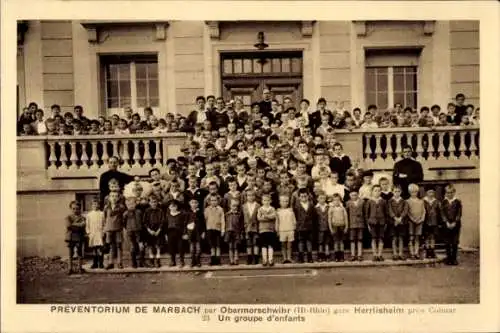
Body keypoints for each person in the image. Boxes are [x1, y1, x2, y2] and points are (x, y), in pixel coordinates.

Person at [103, 191, 127, 269]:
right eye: (112, 196)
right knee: (111, 246)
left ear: (118, 198)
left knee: (119, 246)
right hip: (109, 229)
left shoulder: (121, 207)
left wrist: (122, 225)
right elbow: (105, 218)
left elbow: (124, 217)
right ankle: (111, 263)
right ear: (109, 198)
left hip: (118, 228)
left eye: (115, 196)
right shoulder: (106, 207)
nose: (114, 198)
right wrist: (105, 228)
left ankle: (120, 262)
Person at [440, 184, 462, 265]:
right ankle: (448, 258)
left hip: (456, 224)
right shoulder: (443, 202)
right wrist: (446, 222)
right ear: (445, 193)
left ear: (454, 192)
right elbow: (442, 213)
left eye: (451, 192)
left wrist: (455, 222)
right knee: (447, 242)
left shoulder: (457, 202)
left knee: (455, 242)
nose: (449, 194)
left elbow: (459, 213)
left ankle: (454, 258)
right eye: (448, 193)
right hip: (446, 224)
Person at [365, 185, 387, 261]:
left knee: (381, 238)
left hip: (381, 222)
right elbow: (367, 213)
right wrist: (368, 223)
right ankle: (375, 254)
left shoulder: (383, 201)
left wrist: (385, 222)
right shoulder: (369, 201)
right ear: (372, 192)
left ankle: (380, 254)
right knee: (374, 238)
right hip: (372, 222)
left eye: (379, 191)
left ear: (381, 192)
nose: (377, 192)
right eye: (375, 191)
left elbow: (386, 212)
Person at [293, 188, 316, 263]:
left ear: (308, 196)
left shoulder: (311, 205)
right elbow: (295, 216)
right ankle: (301, 257)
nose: (304, 198)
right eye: (302, 196)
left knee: (309, 241)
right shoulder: (296, 206)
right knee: (301, 242)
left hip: (309, 226)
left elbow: (314, 215)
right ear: (299, 197)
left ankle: (310, 257)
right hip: (300, 227)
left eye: (305, 196)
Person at [387, 186, 409, 261]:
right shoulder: (390, 201)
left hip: (401, 222)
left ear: (401, 192)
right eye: (395, 191)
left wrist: (400, 218)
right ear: (392, 192)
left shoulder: (404, 201)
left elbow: (405, 210)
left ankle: (400, 253)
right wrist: (395, 218)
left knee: (401, 237)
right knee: (394, 238)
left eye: (398, 191)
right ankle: (395, 254)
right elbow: (389, 210)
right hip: (393, 222)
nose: (397, 193)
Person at [65, 201, 86, 274]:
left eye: (77, 209)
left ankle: (79, 268)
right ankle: (70, 268)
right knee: (70, 253)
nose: (75, 210)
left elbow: (83, 226)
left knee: (79, 253)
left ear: (80, 209)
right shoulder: (68, 217)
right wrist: (78, 225)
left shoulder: (82, 218)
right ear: (71, 209)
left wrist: (74, 225)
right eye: (73, 208)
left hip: (79, 237)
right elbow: (69, 226)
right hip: (70, 237)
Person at [143, 195, 164, 268]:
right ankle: (151, 259)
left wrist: (159, 230)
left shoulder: (160, 211)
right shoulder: (147, 211)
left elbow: (162, 221)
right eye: (152, 202)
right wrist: (149, 230)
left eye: (155, 202)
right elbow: (145, 222)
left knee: (158, 245)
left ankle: (158, 259)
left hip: (158, 229)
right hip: (150, 230)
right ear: (149, 203)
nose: (154, 204)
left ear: (157, 202)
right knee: (150, 245)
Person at [204, 194, 225, 266]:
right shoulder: (207, 209)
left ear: (218, 201)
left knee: (218, 245)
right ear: (209, 201)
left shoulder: (220, 209)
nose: (213, 202)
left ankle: (218, 260)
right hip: (209, 229)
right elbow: (205, 220)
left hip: (218, 229)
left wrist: (222, 230)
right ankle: (212, 260)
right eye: (212, 200)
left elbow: (222, 220)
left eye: (215, 200)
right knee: (212, 245)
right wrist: (205, 230)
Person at [123, 197, 144, 268]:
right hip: (130, 231)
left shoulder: (139, 212)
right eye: (129, 204)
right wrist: (128, 228)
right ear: (126, 205)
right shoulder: (126, 213)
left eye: (132, 204)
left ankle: (141, 262)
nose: (131, 206)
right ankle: (134, 262)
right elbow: (124, 222)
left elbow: (142, 221)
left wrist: (140, 228)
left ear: (135, 204)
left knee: (141, 245)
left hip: (139, 231)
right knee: (132, 246)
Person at [406, 183, 426, 260]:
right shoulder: (407, 201)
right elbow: (407, 212)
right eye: (412, 192)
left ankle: (416, 252)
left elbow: (424, 211)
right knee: (411, 237)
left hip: (419, 221)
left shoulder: (421, 201)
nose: (414, 193)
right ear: (409, 192)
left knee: (417, 237)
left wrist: (421, 219)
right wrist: (412, 219)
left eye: (415, 192)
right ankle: (412, 253)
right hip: (411, 222)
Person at [257, 194, 277, 266]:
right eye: (264, 200)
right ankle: (264, 260)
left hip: (271, 229)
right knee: (263, 245)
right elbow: (259, 218)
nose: (266, 202)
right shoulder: (260, 209)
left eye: (268, 200)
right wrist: (268, 218)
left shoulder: (272, 209)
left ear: (270, 201)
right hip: (262, 230)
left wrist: (265, 216)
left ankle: (270, 259)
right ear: (262, 201)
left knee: (270, 245)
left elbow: (273, 216)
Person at [165, 200, 186, 267]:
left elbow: (184, 224)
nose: (173, 208)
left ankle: (181, 261)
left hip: (179, 232)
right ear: (169, 207)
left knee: (181, 247)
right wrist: (165, 234)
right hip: (170, 232)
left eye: (174, 206)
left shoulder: (181, 214)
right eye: (171, 206)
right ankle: (173, 261)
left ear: (177, 207)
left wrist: (184, 233)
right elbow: (165, 225)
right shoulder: (168, 215)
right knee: (171, 247)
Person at [85, 197, 105, 269]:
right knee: (94, 249)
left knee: (100, 249)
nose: (95, 205)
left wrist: (103, 232)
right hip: (92, 234)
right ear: (91, 205)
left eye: (96, 204)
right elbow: (87, 225)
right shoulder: (89, 214)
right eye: (93, 204)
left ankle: (101, 263)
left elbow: (104, 223)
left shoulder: (102, 213)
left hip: (99, 233)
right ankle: (95, 263)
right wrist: (88, 233)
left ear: (99, 205)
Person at [276, 194, 296, 264]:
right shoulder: (278, 211)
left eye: (286, 201)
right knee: (283, 245)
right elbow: (277, 222)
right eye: (283, 201)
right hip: (282, 230)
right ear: (280, 202)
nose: (285, 203)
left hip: (290, 229)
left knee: (289, 245)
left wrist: (294, 228)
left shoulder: (290, 210)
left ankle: (289, 258)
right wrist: (277, 230)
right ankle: (284, 258)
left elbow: (294, 220)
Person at [242, 190, 260, 265]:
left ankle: (256, 258)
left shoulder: (258, 205)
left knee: (255, 242)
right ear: (246, 197)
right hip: (247, 227)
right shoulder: (244, 206)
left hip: (255, 227)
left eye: (252, 195)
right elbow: (242, 217)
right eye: (249, 195)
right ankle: (249, 257)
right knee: (248, 243)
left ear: (255, 196)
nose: (250, 197)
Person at [186, 198, 205, 267]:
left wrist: (203, 232)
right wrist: (185, 233)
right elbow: (185, 223)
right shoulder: (188, 212)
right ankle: (192, 261)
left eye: (195, 203)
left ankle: (198, 260)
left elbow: (203, 223)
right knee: (191, 248)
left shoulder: (200, 213)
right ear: (190, 204)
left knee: (198, 248)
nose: (194, 204)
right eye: (192, 203)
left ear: (198, 204)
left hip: (198, 232)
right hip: (190, 232)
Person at [329, 193, 348, 262]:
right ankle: (336, 256)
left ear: (340, 200)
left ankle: (342, 256)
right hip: (335, 226)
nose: (336, 202)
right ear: (332, 201)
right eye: (335, 200)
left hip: (342, 226)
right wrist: (330, 228)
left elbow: (346, 218)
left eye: (338, 200)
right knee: (336, 242)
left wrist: (346, 226)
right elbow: (329, 219)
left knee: (341, 241)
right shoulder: (331, 209)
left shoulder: (342, 208)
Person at [346, 190, 365, 261]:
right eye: (352, 195)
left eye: (355, 195)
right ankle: (353, 255)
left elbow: (364, 212)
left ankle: (359, 255)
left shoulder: (362, 202)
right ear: (350, 196)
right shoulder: (348, 203)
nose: (354, 196)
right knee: (352, 240)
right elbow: (347, 214)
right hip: (352, 223)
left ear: (358, 195)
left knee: (360, 239)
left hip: (360, 223)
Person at [225, 199, 243, 265]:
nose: (234, 207)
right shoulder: (227, 214)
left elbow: (241, 224)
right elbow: (225, 223)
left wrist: (241, 232)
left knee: (236, 246)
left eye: (236, 206)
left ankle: (236, 259)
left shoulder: (239, 214)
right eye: (233, 206)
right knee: (230, 246)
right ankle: (231, 259)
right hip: (229, 231)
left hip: (236, 232)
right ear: (230, 206)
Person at [423, 187, 440, 259]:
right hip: (426, 221)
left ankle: (432, 250)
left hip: (434, 222)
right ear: (426, 193)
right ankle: (427, 251)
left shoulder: (436, 201)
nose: (431, 194)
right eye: (429, 192)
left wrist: (439, 222)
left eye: (432, 192)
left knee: (432, 236)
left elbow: (439, 212)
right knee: (427, 236)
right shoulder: (423, 201)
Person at [315, 191, 331, 261]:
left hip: (327, 227)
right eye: (320, 198)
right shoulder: (315, 208)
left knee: (327, 242)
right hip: (319, 228)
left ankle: (327, 255)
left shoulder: (328, 207)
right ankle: (320, 255)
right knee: (320, 242)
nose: (322, 200)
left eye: (324, 198)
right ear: (317, 199)